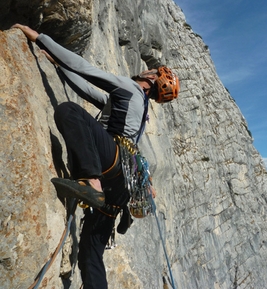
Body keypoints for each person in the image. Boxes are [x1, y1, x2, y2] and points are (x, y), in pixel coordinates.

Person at [12, 24, 179, 289]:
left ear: (150, 79)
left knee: (70, 111)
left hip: (109, 161)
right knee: (91, 253)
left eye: (153, 70)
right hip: (121, 189)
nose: (147, 69)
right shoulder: (136, 104)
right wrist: (58, 65)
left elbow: (86, 69)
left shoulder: (130, 88)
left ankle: (91, 181)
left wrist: (41, 39)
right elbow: (91, 92)